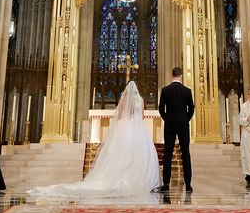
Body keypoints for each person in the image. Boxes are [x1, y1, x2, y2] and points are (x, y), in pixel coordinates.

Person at [27, 81, 159, 200]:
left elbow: (118, 114)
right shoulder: (140, 100)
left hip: (123, 128)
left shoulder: (123, 99)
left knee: (117, 155)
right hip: (137, 131)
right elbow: (142, 116)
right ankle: (137, 180)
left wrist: (123, 123)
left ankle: (113, 178)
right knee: (137, 155)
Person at [158, 66, 195, 193]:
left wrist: (167, 119)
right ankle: (188, 184)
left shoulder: (165, 90)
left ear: (172, 75)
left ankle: (166, 184)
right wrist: (185, 119)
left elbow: (161, 109)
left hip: (170, 125)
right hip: (183, 125)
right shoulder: (187, 91)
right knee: (186, 154)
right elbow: (191, 109)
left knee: (167, 154)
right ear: (181, 76)